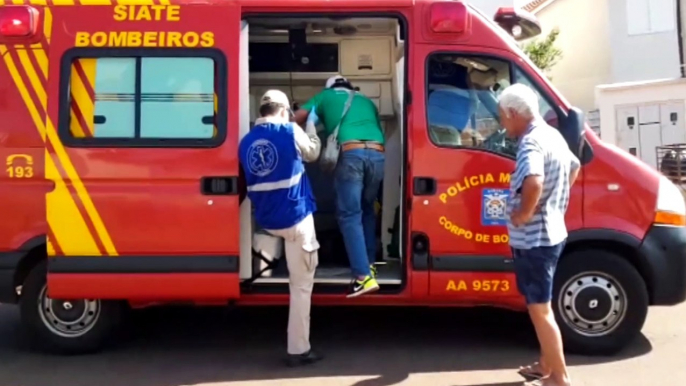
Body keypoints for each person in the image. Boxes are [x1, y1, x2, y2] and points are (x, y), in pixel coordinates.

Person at [497, 84, 580, 386]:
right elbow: (575, 165)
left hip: (535, 240)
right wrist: (557, 201)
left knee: (540, 310)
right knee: (542, 304)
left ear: (513, 113)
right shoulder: (551, 134)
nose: (502, 123)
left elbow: (533, 182)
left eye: (502, 117)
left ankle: (559, 378)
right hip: (552, 233)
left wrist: (525, 213)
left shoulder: (530, 143)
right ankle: (546, 365)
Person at [239, 89, 323, 367]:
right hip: (296, 219)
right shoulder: (290, 130)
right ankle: (299, 350)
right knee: (300, 287)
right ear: (285, 110)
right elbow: (312, 153)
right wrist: (309, 124)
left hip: (267, 221)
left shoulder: (246, 141)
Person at [294, 75, 385, 298]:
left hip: (351, 153)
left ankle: (363, 277)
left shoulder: (324, 96)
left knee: (349, 214)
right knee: (367, 208)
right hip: (378, 154)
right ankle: (370, 264)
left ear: (330, 87)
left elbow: (298, 119)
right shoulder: (366, 100)